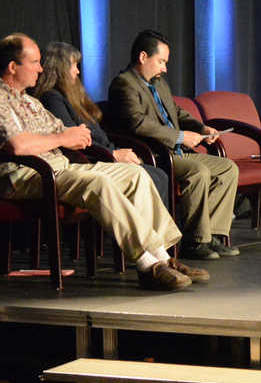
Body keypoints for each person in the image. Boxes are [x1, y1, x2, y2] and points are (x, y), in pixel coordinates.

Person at [0, 33, 208, 291]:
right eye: (34, 62)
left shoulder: (31, 102)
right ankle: (146, 264)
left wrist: (74, 136)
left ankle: (163, 258)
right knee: (98, 182)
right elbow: (18, 145)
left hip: (61, 168)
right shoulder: (1, 100)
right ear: (12, 67)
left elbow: (63, 132)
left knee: (136, 175)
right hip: (26, 175)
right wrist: (63, 137)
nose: (40, 69)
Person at [106, 29, 240, 261]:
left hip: (176, 151)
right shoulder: (123, 85)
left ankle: (214, 235)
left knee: (228, 168)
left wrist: (201, 128)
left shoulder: (159, 84)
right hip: (155, 155)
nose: (164, 68)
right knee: (198, 171)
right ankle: (195, 241)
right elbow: (138, 124)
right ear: (143, 57)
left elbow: (176, 112)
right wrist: (180, 137)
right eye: (161, 61)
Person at [32, 41, 171, 207]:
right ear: (59, 69)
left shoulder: (72, 95)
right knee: (154, 176)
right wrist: (114, 154)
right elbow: (74, 139)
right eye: (73, 66)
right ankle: (138, 232)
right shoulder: (52, 98)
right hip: (91, 159)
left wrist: (117, 151)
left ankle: (154, 231)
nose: (77, 71)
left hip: (105, 153)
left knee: (159, 175)